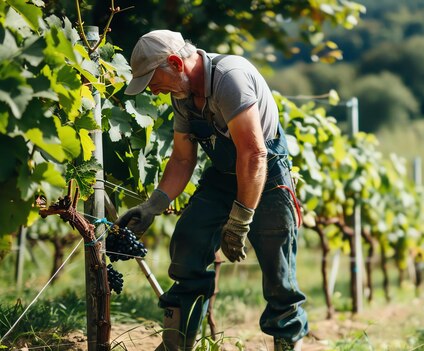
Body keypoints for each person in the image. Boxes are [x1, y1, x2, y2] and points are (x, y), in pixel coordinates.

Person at [117, 30, 308, 351]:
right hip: (222, 174)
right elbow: (181, 158)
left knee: (279, 273)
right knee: (188, 239)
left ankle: (287, 343)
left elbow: (254, 153)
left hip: (267, 173)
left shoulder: (229, 78)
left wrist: (240, 220)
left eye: (154, 79)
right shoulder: (182, 96)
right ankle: (176, 344)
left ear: (176, 63)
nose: (153, 89)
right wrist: (151, 206)